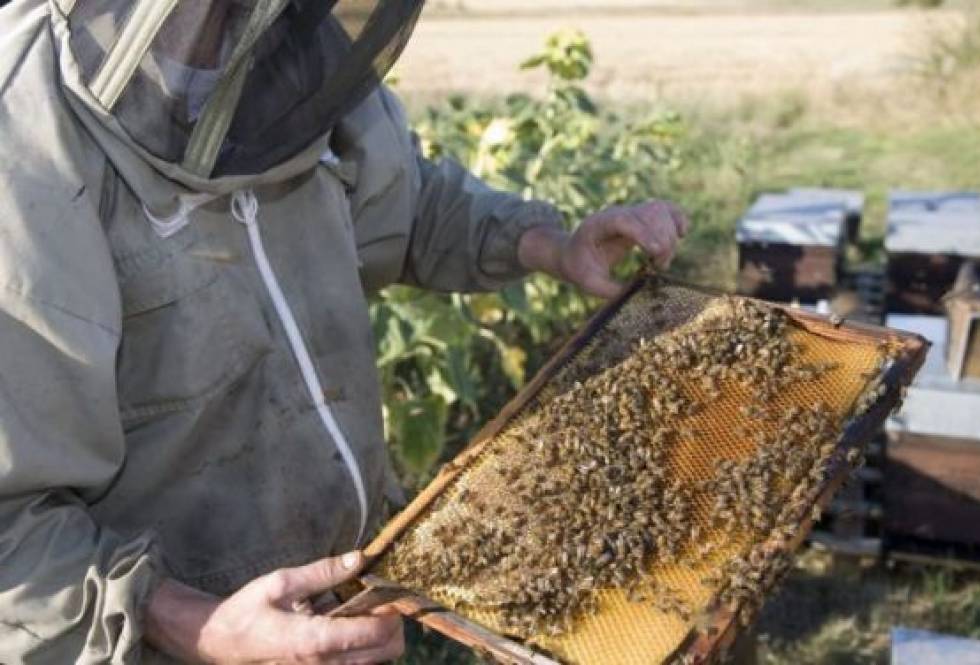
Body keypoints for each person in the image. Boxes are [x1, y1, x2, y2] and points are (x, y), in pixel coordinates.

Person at [0, 1, 689, 662]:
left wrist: (551, 244)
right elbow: (11, 533)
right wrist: (194, 624)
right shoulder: (24, 147)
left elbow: (406, 201)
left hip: (343, 616)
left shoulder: (296, 45)